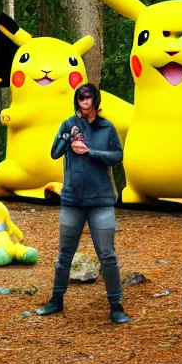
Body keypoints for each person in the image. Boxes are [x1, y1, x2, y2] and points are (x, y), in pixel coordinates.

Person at [36, 83, 129, 324]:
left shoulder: (106, 127)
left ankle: (116, 305)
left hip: (101, 201)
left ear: (95, 101)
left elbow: (117, 156)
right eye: (80, 97)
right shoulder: (68, 124)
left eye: (87, 97)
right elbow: (54, 153)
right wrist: (68, 136)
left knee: (107, 255)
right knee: (64, 254)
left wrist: (90, 152)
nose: (83, 101)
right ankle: (56, 300)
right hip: (72, 201)